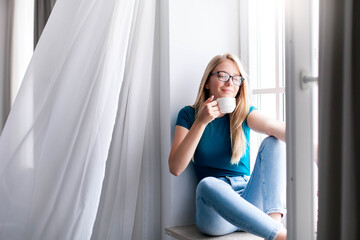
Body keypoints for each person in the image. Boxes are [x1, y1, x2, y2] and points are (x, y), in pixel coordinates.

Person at [168, 53, 287, 240]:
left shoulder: (244, 114)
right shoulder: (189, 115)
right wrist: (201, 122)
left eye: (236, 78)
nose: (230, 82)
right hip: (216, 212)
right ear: (207, 82)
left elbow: (275, 127)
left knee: (274, 142)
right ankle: (281, 236)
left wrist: (315, 148)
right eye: (223, 75)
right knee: (207, 184)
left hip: (249, 201)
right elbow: (175, 167)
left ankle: (275, 225)